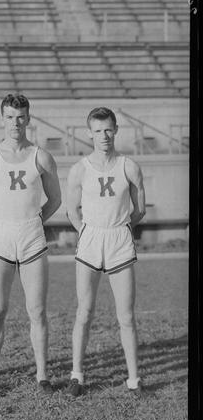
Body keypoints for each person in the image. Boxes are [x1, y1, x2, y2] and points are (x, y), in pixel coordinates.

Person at [0, 93, 62, 398]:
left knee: (36, 310)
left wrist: (35, 221)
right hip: (0, 240)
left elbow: (56, 199)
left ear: (28, 118)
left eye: (21, 116)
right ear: (2, 119)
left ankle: (42, 376)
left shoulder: (41, 156)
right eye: (10, 117)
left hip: (32, 239)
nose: (16, 123)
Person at [66, 107, 146, 397]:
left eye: (108, 129)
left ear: (116, 130)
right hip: (90, 240)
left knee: (125, 316)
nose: (104, 135)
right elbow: (70, 208)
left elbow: (139, 210)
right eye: (98, 130)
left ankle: (134, 380)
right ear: (89, 133)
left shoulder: (129, 166)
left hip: (119, 241)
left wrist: (120, 228)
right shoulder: (80, 168)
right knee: (84, 312)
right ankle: (77, 376)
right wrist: (86, 231)